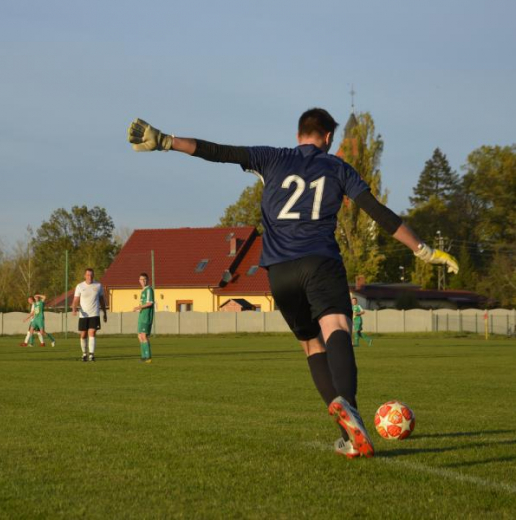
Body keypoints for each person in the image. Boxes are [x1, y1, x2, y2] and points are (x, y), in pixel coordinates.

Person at [128, 109, 459, 458]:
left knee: (311, 346)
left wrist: (167, 142)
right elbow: (378, 212)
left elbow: (219, 152)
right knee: (338, 327)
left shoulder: (271, 157)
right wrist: (424, 250)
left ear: (299, 133)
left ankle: (349, 435)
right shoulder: (337, 168)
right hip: (321, 263)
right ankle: (350, 411)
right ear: (328, 138)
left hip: (279, 272)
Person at [72, 268, 107, 362]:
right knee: (83, 335)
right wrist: (74, 308)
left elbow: (102, 301)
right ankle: (84, 354)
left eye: (91, 275)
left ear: (93, 276)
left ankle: (91, 355)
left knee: (92, 333)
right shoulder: (79, 286)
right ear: (85, 276)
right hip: (83, 315)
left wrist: (104, 313)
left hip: (94, 314)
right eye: (88, 275)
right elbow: (76, 300)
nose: (89, 277)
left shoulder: (98, 285)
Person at [133, 273, 154, 363]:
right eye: (142, 279)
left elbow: (150, 303)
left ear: (148, 280)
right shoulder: (143, 290)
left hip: (146, 316)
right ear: (139, 281)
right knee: (139, 336)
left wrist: (139, 307)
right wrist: (139, 308)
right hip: (142, 315)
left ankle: (148, 357)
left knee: (144, 335)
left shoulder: (149, 290)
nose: (143, 281)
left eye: (145, 279)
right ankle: (143, 356)